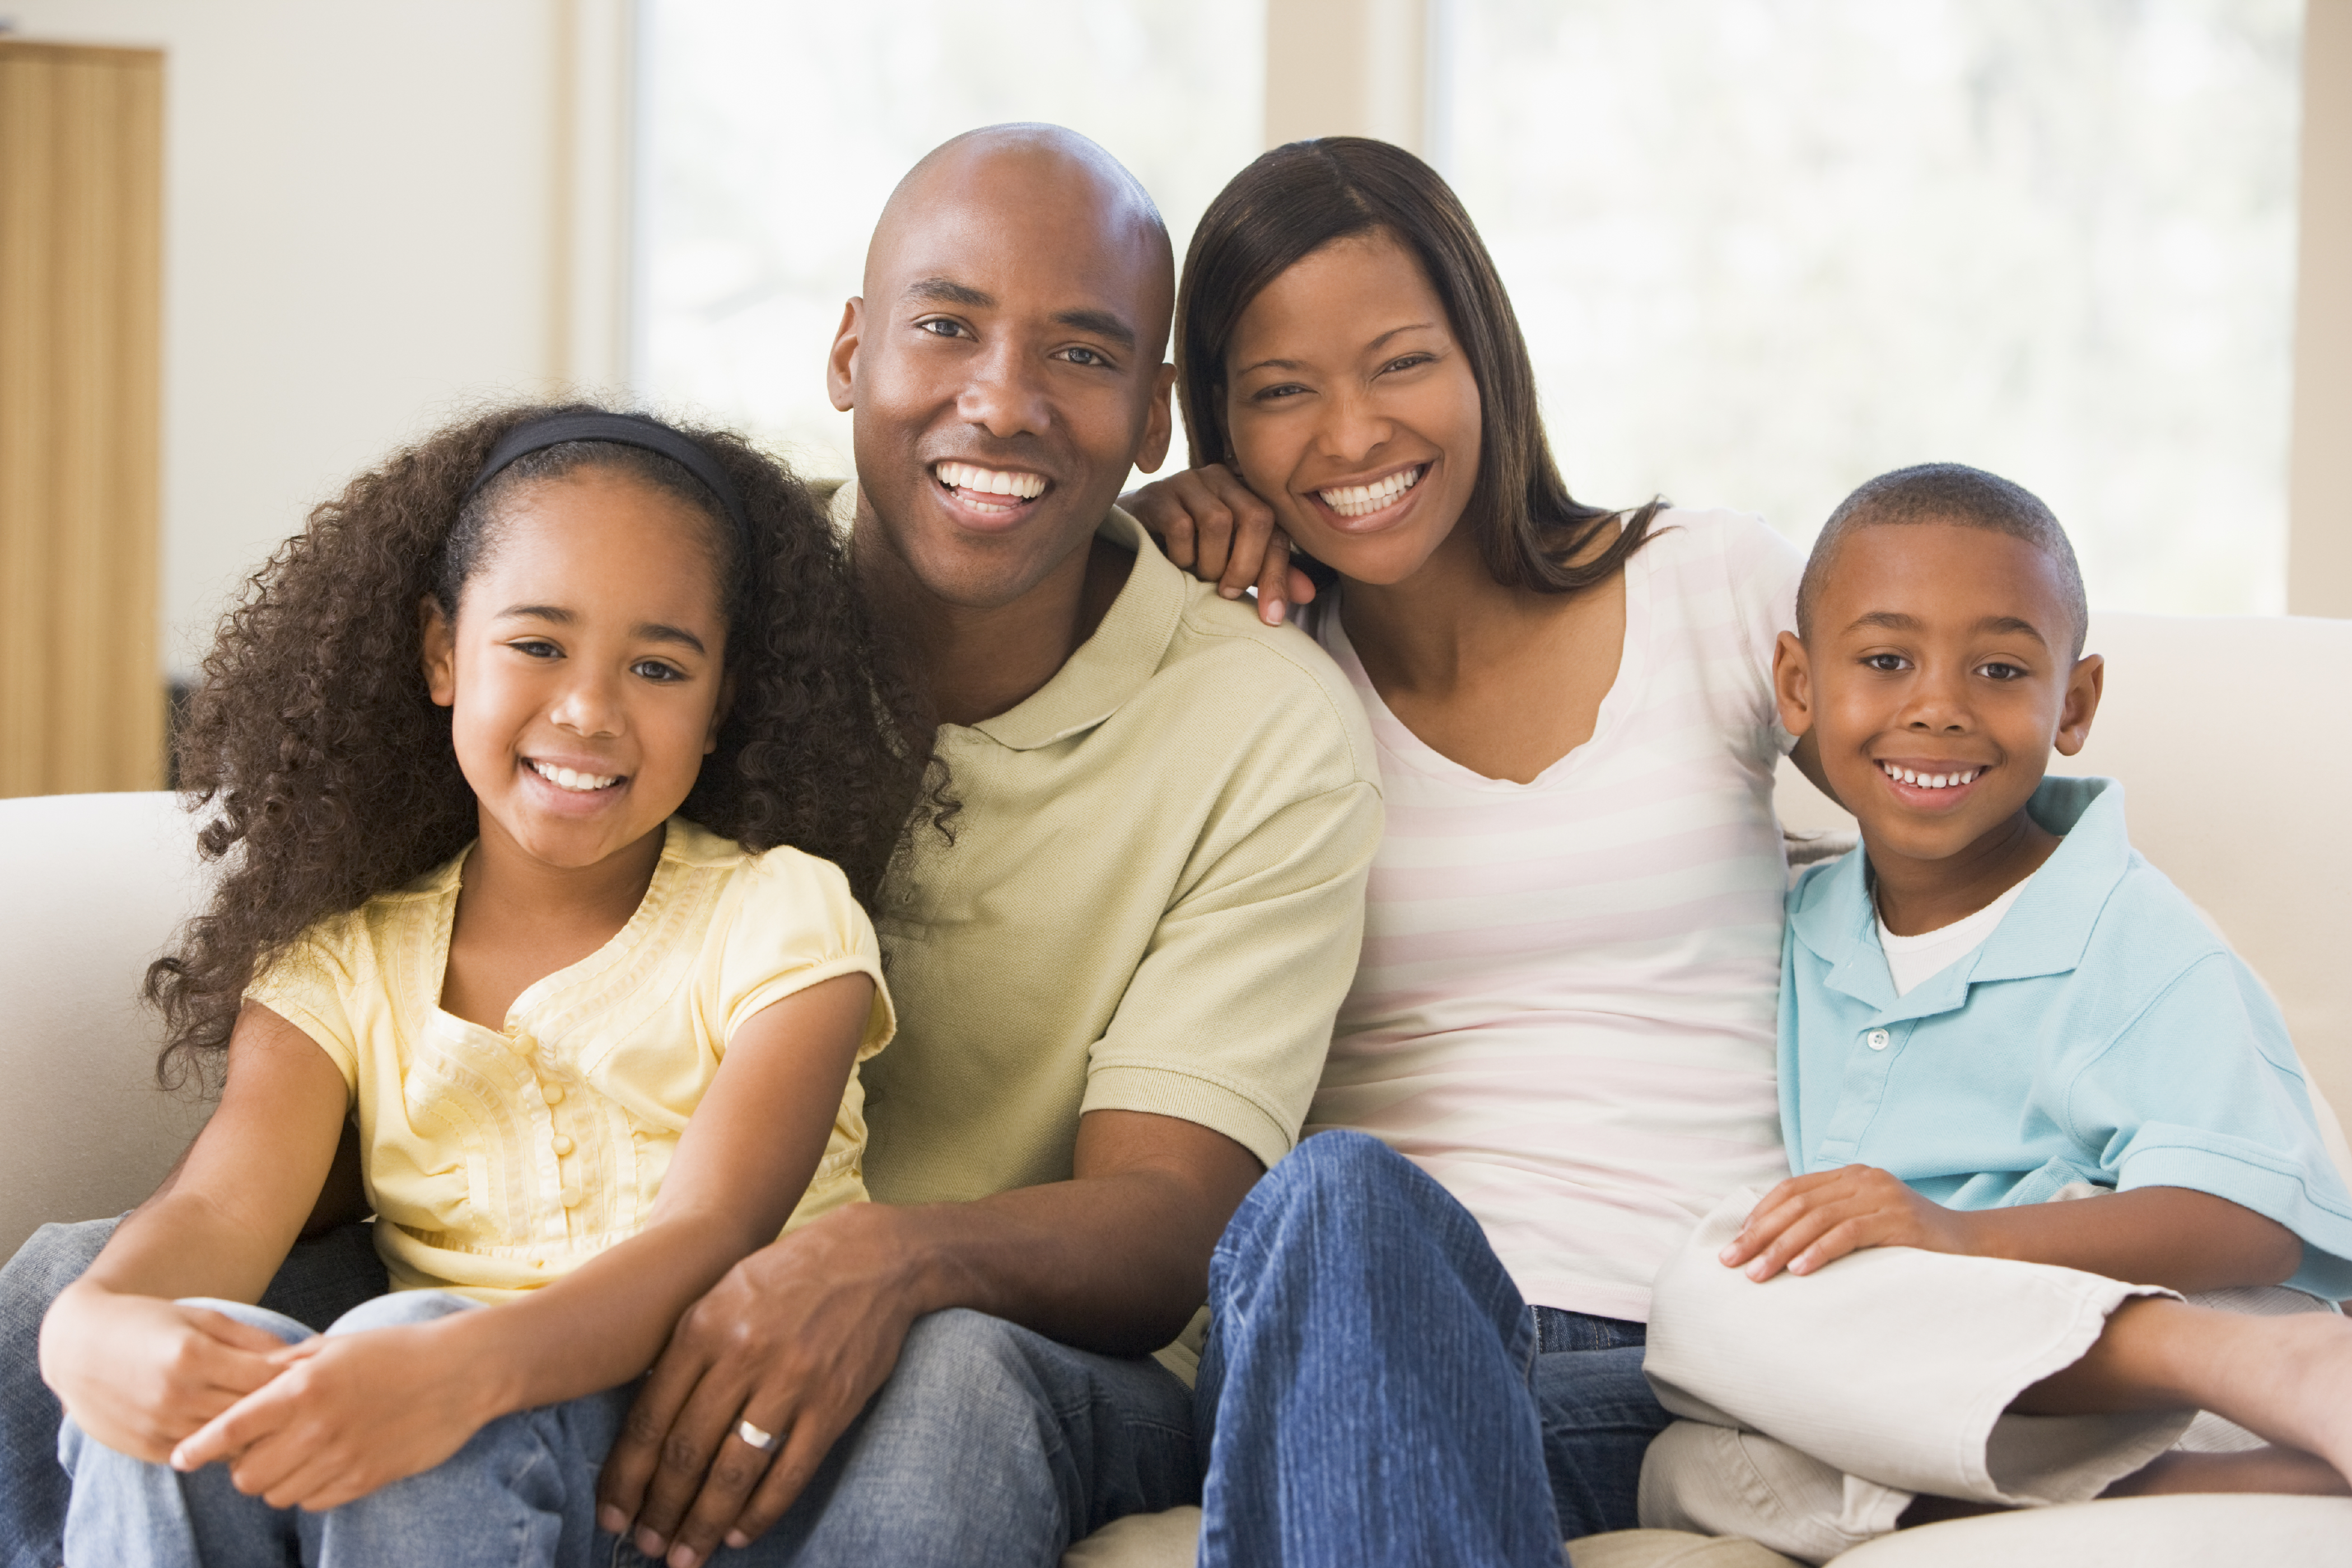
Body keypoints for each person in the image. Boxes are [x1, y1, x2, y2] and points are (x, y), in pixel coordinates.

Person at [4, 127, 1384, 1568]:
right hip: (584, 1270)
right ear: (852, 349)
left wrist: (873, 1259)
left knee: (950, 1378)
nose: (1002, 399)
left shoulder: (1262, 724)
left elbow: (1172, 1219)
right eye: (945, 326)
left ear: (1155, 412)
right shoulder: (709, 585)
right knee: (68, 1292)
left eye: (1082, 356)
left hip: (981, 1324)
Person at [33, 405, 927, 1565]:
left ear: (720, 703)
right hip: (417, 1482)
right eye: (538, 644)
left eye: (658, 666)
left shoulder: (780, 915)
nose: (589, 709)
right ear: (443, 651)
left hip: (703, 1478)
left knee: (407, 1342)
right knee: (149, 1368)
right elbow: (221, 1207)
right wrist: (95, 1330)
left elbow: (711, 1233)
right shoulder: (343, 961)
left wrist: (450, 1364)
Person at [1121, 137, 1819, 1563]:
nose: (1355, 435)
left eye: (1399, 362)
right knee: (1340, 1195)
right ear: (1218, 429)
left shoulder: (1712, 581)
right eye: (1280, 393)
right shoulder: (1240, 676)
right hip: (1359, 1325)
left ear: (1486, 355)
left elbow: (1963, 810)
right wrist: (1112, 552)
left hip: (1707, 1363)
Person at [1635, 463, 2352, 1563]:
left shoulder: (2132, 932)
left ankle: (2286, 1390)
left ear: (2074, 703)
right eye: (1885, 660)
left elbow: (2248, 1213)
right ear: (1797, 684)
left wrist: (1960, 1239)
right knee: (1692, 1456)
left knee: (1724, 1279)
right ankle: (2169, 1489)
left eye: (2001, 668)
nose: (1937, 704)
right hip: (1955, 1377)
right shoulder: (1798, 919)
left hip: (2176, 1355)